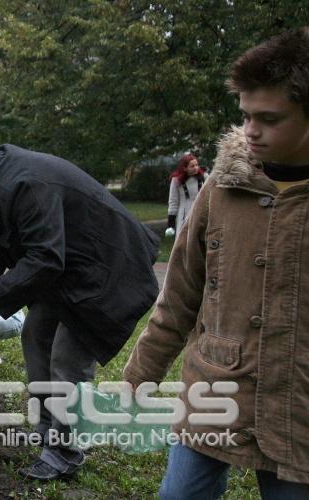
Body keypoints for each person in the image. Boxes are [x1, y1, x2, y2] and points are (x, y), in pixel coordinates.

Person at [123, 28, 309, 498]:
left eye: (269, 118)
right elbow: (181, 293)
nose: (251, 131)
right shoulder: (222, 189)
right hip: (214, 387)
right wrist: (138, 378)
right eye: (246, 116)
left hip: (297, 406)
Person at [0, 136, 160, 480]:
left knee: (67, 357)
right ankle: (48, 430)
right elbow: (11, 248)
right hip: (68, 271)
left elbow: (45, 258)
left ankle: (66, 452)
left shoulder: (23, 182)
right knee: (35, 335)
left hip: (107, 268)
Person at [166, 153, 208, 237]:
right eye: (192, 166)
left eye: (196, 165)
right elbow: (173, 201)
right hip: (184, 215)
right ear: (185, 168)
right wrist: (171, 223)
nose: (196, 168)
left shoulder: (204, 177)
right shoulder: (176, 181)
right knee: (185, 241)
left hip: (202, 214)